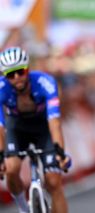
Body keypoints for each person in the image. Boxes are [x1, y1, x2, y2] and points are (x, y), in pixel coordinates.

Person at [0, 47, 71, 213]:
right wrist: (1, 156)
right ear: (5, 76)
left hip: (43, 128)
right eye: (11, 74)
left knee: (54, 181)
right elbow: (0, 126)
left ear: (27, 69)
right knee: (11, 168)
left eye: (20, 71)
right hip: (16, 128)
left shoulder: (45, 82)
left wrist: (60, 152)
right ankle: (23, 208)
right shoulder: (1, 88)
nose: (17, 77)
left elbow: (54, 122)